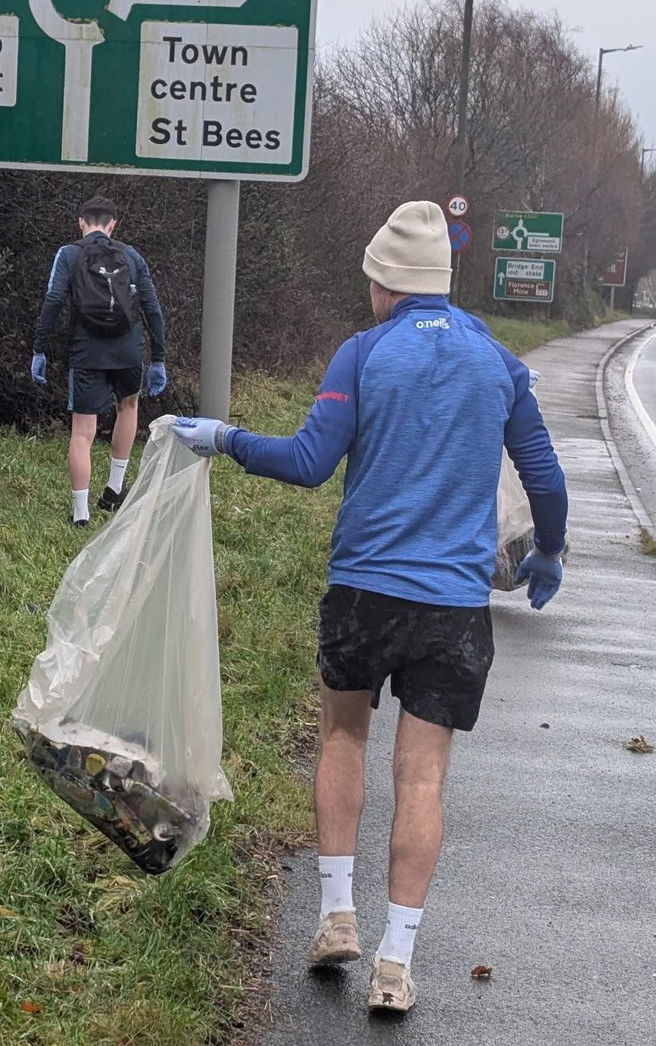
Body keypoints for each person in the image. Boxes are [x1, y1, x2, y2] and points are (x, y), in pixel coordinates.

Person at [172, 201, 567, 1015]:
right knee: (421, 776)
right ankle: (395, 963)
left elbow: (310, 462)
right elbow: (545, 480)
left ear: (387, 281)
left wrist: (223, 437)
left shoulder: (363, 352)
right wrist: (550, 552)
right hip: (453, 607)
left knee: (344, 737)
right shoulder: (498, 364)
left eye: (372, 282)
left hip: (363, 593)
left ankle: (335, 916)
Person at [32, 196, 167, 526]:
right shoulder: (132, 256)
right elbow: (152, 309)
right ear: (112, 225)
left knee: (82, 431)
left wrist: (39, 349)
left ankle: (81, 514)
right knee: (128, 407)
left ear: (81, 222)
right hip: (128, 351)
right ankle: (114, 490)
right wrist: (159, 357)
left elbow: (52, 301)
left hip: (87, 351)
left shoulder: (69, 254)